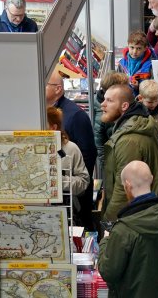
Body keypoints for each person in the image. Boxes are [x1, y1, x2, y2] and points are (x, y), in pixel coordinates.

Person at [97, 161, 158, 298]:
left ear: (127, 185)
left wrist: (105, 241)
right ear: (151, 179)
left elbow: (108, 272)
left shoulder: (123, 230)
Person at [99, 84, 158, 221]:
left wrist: (108, 222)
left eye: (109, 101)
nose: (102, 105)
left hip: (145, 217)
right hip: (150, 212)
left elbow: (124, 189)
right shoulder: (131, 127)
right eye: (104, 99)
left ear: (124, 106)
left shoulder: (129, 140)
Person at [45, 72, 97, 225]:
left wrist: (76, 191)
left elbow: (88, 155)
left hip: (73, 202)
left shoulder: (75, 115)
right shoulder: (44, 111)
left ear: (58, 89)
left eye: (46, 84)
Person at [46, 106, 90, 216]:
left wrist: (57, 181)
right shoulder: (27, 149)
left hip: (66, 211)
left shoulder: (70, 148)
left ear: (53, 127)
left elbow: (83, 182)